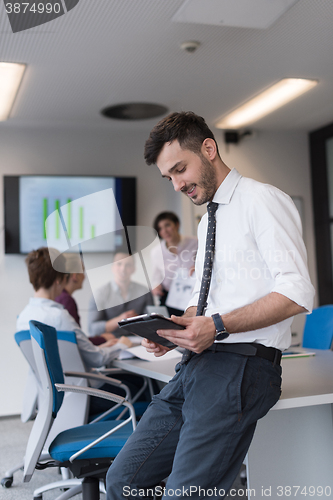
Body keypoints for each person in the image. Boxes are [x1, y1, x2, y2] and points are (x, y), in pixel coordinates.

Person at [106, 111, 315, 499]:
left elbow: (298, 292)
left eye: (180, 169)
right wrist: (175, 331)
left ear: (209, 148)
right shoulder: (207, 222)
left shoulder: (262, 200)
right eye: (169, 177)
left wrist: (215, 326)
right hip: (197, 365)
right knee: (123, 482)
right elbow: (208, 303)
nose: (177, 184)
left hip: (243, 366)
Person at [17, 247, 132, 375]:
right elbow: (97, 359)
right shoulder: (59, 317)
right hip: (82, 388)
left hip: (53, 390)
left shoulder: (23, 317)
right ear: (59, 279)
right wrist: (122, 345)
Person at [88, 252, 154, 338]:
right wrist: (121, 319)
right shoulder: (100, 293)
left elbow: (153, 325)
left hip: (139, 340)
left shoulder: (144, 291)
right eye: (119, 264)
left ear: (134, 269)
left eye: (128, 265)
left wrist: (136, 320)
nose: (123, 269)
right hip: (111, 341)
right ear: (112, 267)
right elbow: (92, 329)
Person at [151, 211, 198, 316]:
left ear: (177, 224)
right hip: (170, 297)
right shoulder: (156, 252)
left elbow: (208, 264)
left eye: (167, 225)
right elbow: (156, 278)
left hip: (193, 294)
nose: (165, 231)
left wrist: (198, 268)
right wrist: (156, 286)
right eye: (160, 229)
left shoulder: (195, 242)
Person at [55, 269, 110, 346]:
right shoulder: (67, 300)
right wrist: (103, 339)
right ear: (75, 275)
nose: (84, 276)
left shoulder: (59, 297)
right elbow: (77, 340)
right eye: (82, 272)